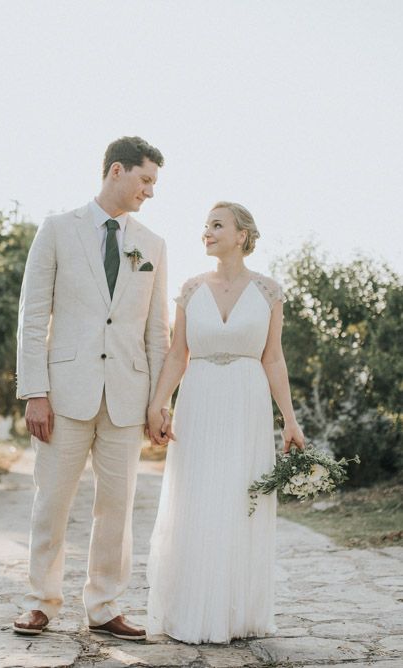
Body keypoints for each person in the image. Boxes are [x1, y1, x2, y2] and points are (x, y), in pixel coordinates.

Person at [13, 136, 170, 640]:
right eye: (145, 179)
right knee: (52, 501)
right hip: (64, 393)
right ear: (117, 171)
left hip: (127, 395)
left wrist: (158, 402)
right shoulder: (58, 230)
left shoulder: (153, 244)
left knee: (117, 507)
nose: (150, 190)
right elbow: (33, 317)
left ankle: (104, 606)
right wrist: (35, 391)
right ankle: (41, 601)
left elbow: (156, 331)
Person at [145, 202, 305, 644]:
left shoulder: (269, 291)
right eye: (204, 226)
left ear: (242, 235)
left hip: (247, 402)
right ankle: (192, 611)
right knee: (196, 498)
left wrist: (289, 420)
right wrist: (158, 405)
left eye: (217, 225)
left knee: (239, 500)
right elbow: (179, 354)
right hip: (198, 401)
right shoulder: (191, 289)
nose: (207, 232)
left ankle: (236, 613)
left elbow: (273, 357)